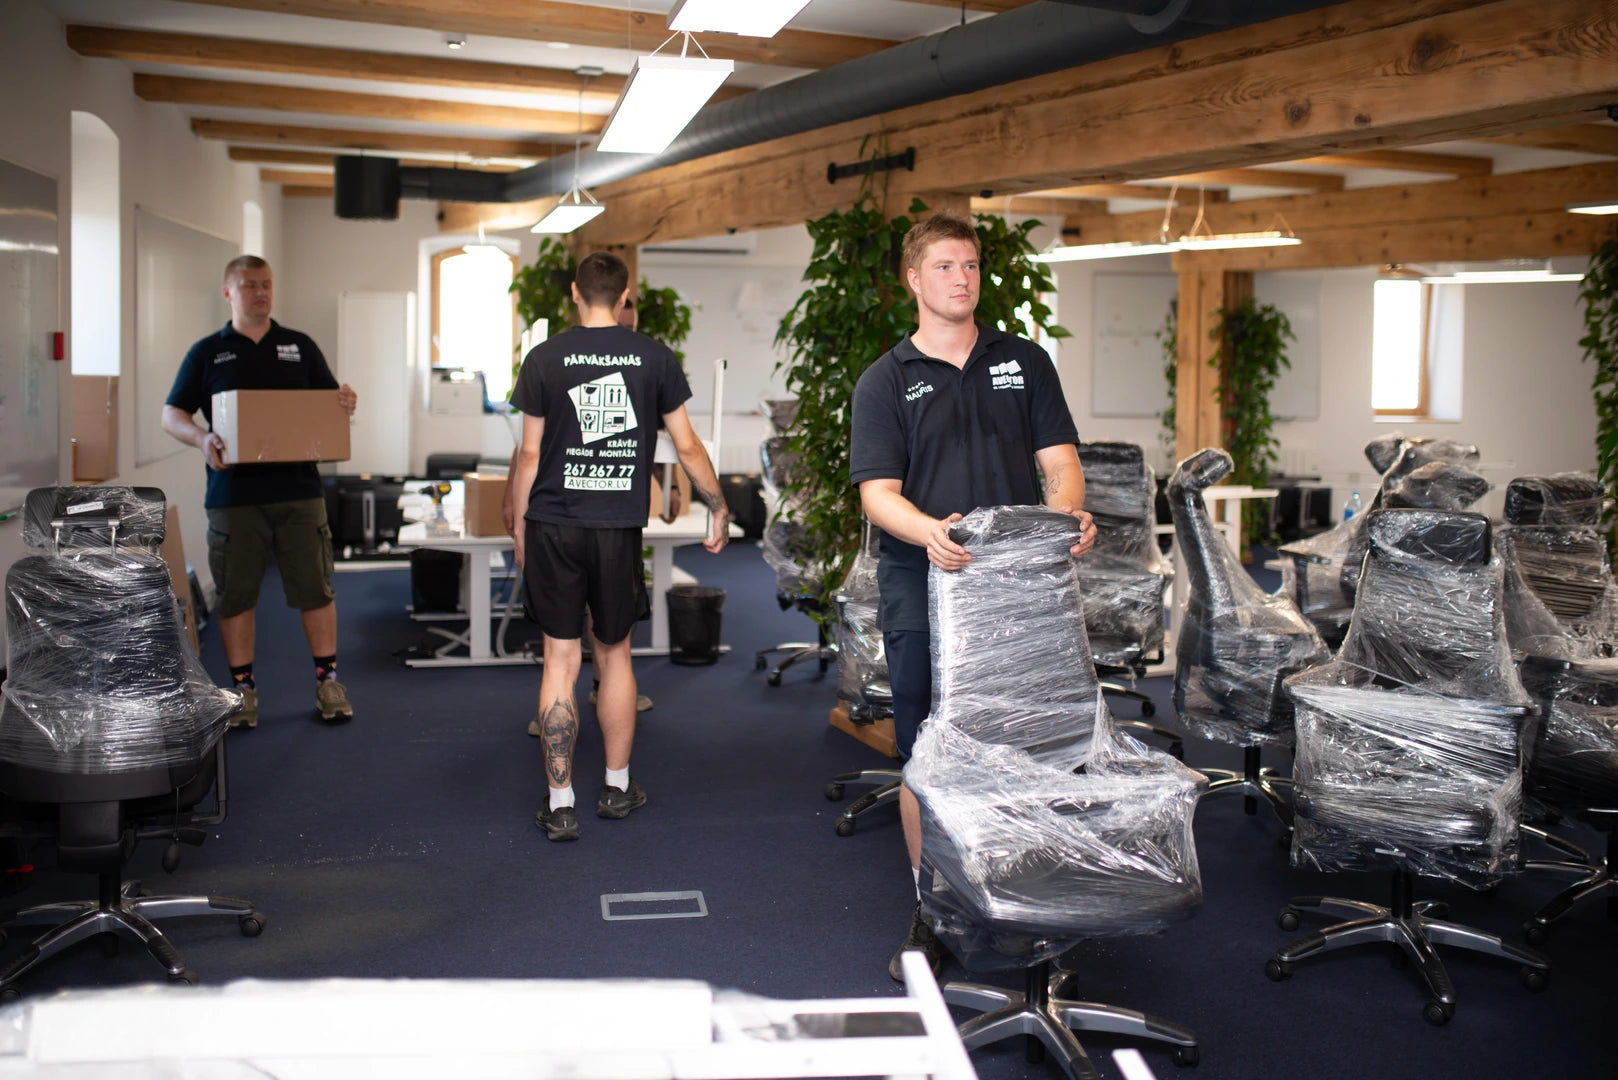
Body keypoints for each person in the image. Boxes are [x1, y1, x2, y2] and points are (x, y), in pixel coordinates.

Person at [848, 210, 1097, 981]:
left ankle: (1025, 900)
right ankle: (934, 906)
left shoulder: (1024, 361)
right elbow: (877, 495)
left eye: (971, 265)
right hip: (924, 584)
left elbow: (1061, 465)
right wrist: (930, 532)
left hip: (1020, 590)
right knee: (930, 748)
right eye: (944, 266)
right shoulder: (886, 381)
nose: (962, 279)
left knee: (1025, 739)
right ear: (913, 280)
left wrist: (1067, 518)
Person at [508, 251, 730, 842]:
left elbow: (528, 455)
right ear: (625, 295)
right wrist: (718, 505)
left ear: (575, 294)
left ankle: (561, 804)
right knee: (614, 656)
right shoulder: (654, 357)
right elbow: (687, 446)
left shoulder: (545, 357)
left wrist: (520, 528)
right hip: (617, 528)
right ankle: (615, 786)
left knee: (560, 659)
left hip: (553, 523)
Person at [161, 255, 359, 729]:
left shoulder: (299, 346)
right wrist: (202, 438)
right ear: (228, 292)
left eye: (266, 284)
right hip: (234, 497)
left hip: (299, 491)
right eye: (249, 285)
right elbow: (172, 414)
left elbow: (329, 405)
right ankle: (243, 689)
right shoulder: (208, 352)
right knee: (236, 596)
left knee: (316, 589)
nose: (260, 292)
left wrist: (345, 403)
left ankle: (329, 682)